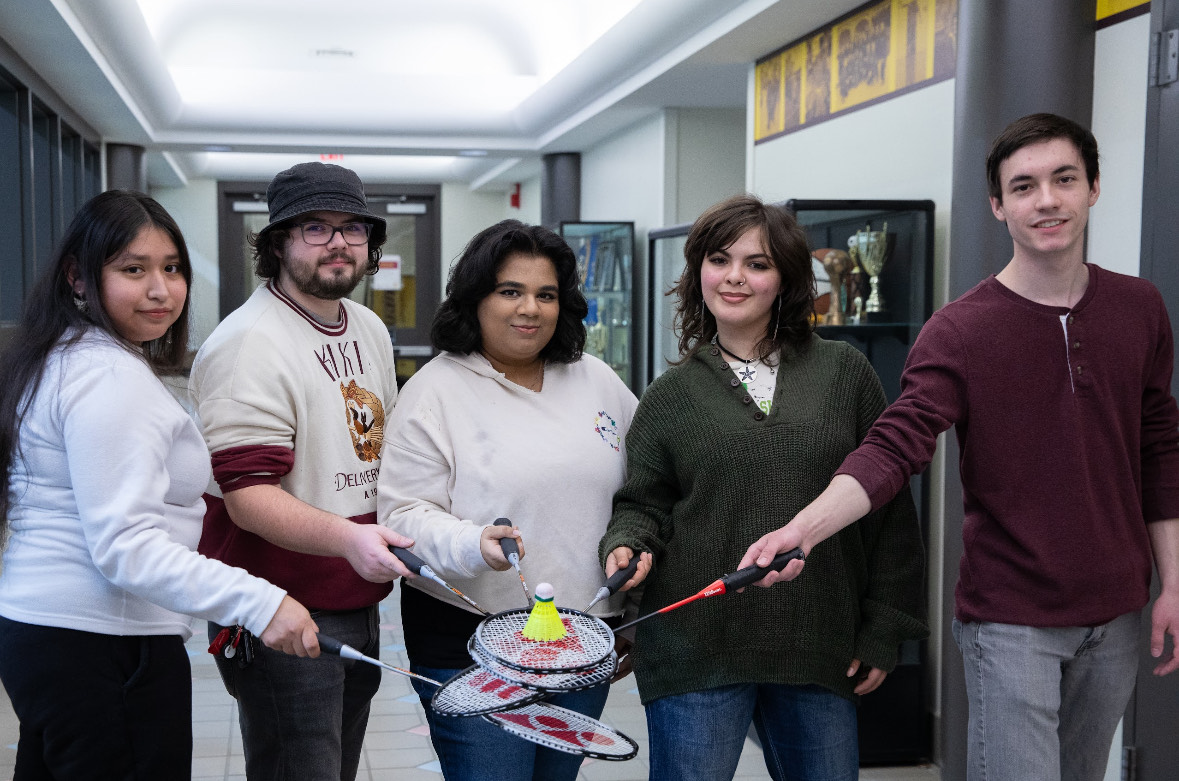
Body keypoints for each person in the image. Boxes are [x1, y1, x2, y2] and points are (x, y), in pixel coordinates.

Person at [741, 113, 1179, 781]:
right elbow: (895, 444)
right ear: (999, 205)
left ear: (1092, 186)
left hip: (1117, 611)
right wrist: (803, 528)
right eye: (1024, 186)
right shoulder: (960, 331)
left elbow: (1157, 445)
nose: (1046, 200)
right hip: (1011, 620)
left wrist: (1171, 580)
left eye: (1063, 179)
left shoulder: (1138, 307)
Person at [599, 195, 928, 781]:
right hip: (694, 646)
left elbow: (889, 510)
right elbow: (643, 503)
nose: (734, 277)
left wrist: (885, 628)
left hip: (817, 639)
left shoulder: (844, 374)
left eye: (757, 263)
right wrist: (627, 542)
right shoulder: (669, 396)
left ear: (786, 280)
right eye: (720, 259)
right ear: (698, 269)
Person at [0, 190, 320, 780]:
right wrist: (259, 600)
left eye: (172, 268)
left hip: (52, 636)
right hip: (100, 643)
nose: (160, 289)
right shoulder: (107, 376)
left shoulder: (68, 356)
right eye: (133, 269)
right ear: (77, 276)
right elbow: (127, 546)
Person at [378, 219, 640, 781]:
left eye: (546, 295)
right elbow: (402, 516)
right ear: (475, 300)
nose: (530, 309)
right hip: (471, 647)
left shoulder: (596, 380)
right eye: (510, 292)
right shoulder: (434, 391)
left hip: (579, 644)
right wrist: (474, 544)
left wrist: (630, 608)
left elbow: (640, 491)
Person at [189, 162, 415, 781]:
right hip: (281, 608)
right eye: (315, 227)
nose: (338, 242)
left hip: (357, 596)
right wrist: (349, 540)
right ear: (278, 242)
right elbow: (248, 498)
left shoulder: (367, 326)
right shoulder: (249, 344)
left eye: (353, 228)